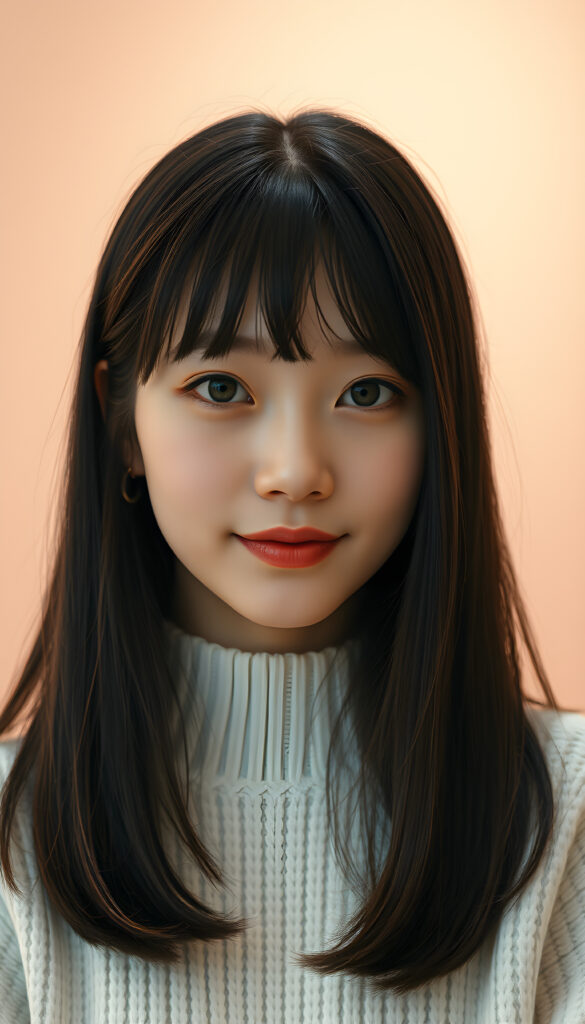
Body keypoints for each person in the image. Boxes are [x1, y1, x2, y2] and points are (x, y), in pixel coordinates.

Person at [0, 108, 583, 1024]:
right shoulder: (10, 837)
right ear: (122, 422)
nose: (295, 472)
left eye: (366, 393)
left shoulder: (567, 816)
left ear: (441, 425)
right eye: (221, 389)